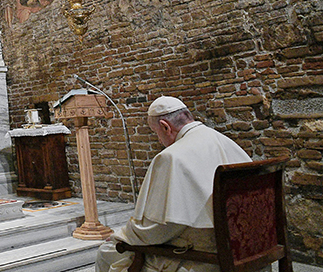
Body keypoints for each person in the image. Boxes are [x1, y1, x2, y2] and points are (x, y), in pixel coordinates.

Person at [95, 96, 252, 272]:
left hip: (205, 257)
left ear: (165, 126)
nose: (159, 140)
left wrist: (122, 235)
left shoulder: (171, 157)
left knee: (106, 252)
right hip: (245, 246)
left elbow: (158, 229)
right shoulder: (225, 142)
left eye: (156, 133)